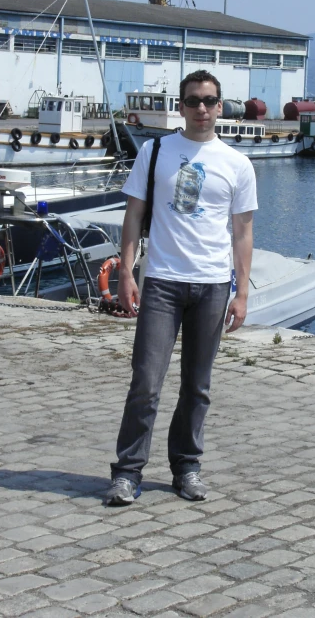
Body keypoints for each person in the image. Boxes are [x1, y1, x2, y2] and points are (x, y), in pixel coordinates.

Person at [106, 70, 258, 506]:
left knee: (198, 385)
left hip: (211, 285)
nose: (202, 109)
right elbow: (133, 216)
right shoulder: (155, 151)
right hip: (163, 284)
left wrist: (241, 293)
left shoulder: (237, 164)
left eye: (210, 101)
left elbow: (243, 232)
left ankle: (186, 466)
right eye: (193, 101)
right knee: (146, 383)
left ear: (220, 106)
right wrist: (127, 273)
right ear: (181, 106)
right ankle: (128, 472)